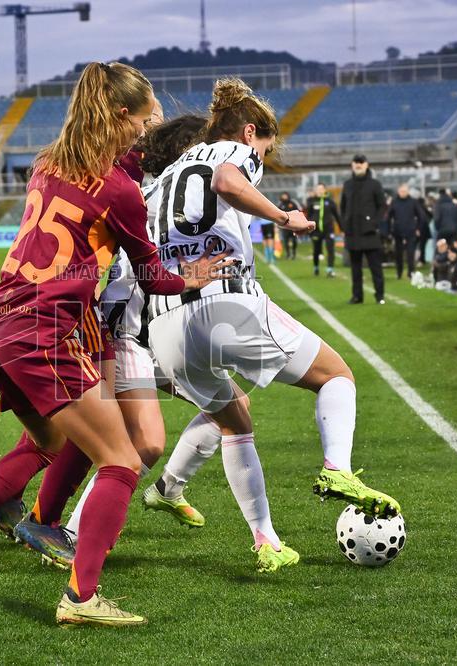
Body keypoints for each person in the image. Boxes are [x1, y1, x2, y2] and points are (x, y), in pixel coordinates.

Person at [0, 62, 228, 627]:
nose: (145, 131)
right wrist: (195, 275)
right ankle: (81, 599)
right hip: (46, 334)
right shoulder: (119, 191)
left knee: (45, 441)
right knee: (122, 459)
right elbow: (154, 276)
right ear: (119, 116)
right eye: (142, 121)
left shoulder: (46, 163)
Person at [143, 78, 401, 573]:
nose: (265, 154)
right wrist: (285, 218)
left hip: (166, 324)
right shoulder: (232, 152)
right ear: (248, 131)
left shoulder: (165, 174)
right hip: (226, 305)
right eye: (266, 144)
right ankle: (337, 470)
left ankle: (267, 542)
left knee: (235, 420)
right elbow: (226, 182)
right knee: (336, 375)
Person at [340, 154, 386, 304]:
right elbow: (343, 207)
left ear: (367, 165)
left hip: (370, 233)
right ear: (352, 165)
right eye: (356, 162)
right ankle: (357, 296)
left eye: (361, 162)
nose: (358, 165)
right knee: (355, 269)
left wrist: (374, 223)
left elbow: (382, 206)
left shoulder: (375, 184)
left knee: (376, 268)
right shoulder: (347, 184)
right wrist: (345, 226)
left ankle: (380, 296)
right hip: (353, 233)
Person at [385, 183, 427, 279]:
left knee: (410, 254)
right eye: (401, 191)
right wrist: (389, 231)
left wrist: (418, 229)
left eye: (405, 191)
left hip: (410, 231)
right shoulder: (394, 202)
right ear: (398, 191)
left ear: (408, 191)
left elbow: (422, 216)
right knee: (398, 254)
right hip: (398, 232)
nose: (403, 193)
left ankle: (411, 273)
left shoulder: (413, 202)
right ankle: (399, 273)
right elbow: (388, 217)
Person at [306, 183, 339, 277]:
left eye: (321, 189)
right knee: (316, 250)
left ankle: (330, 269)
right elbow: (308, 216)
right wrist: (307, 229)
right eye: (318, 189)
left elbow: (337, 216)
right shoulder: (311, 201)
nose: (320, 190)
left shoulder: (330, 201)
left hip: (329, 230)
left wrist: (343, 228)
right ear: (315, 191)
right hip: (316, 231)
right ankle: (316, 267)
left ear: (325, 190)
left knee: (330, 249)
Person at [278, 192, 300, 259]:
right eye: (283, 195)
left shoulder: (292, 203)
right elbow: (278, 214)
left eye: (285, 195)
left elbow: (297, 212)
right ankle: (288, 254)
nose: (284, 197)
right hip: (285, 226)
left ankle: (293, 253)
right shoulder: (281, 205)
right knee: (286, 241)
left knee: (294, 240)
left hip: (293, 226)